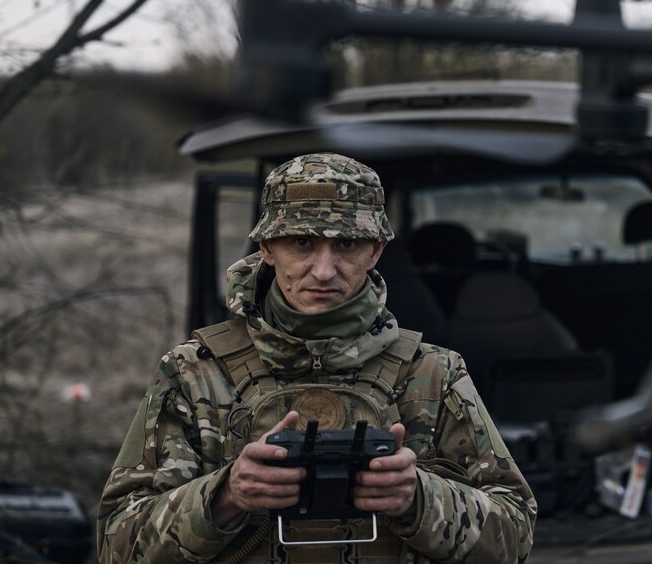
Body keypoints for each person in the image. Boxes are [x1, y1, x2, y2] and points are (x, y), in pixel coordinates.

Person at [96, 152, 536, 564]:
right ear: (267, 247)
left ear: (376, 250)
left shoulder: (434, 374)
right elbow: (116, 545)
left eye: (346, 244)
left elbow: (515, 535)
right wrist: (225, 496)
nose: (324, 270)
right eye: (302, 243)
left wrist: (420, 499)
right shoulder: (194, 373)